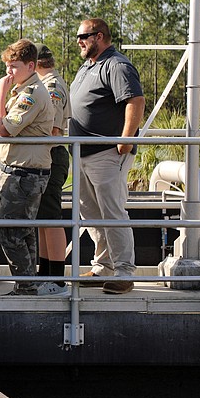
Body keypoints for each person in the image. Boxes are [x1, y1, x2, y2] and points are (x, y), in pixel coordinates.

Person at [69, 18, 145, 295]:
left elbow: (135, 100)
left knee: (112, 212)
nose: (79, 41)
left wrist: (125, 141)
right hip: (83, 153)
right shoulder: (88, 66)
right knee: (90, 213)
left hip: (106, 153)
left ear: (99, 36)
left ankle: (124, 272)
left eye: (83, 36)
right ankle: (103, 266)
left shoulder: (117, 65)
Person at [0, 40, 55, 295]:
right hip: (23, 170)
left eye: (14, 67)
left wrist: (0, 93)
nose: (9, 72)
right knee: (23, 231)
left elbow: (3, 129)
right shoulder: (24, 90)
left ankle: (26, 286)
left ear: (31, 66)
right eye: (7, 67)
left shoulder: (31, 94)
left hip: (24, 173)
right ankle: (27, 284)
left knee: (10, 233)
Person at [36, 46, 71, 292]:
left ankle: (57, 279)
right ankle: (45, 274)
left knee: (51, 218)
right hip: (45, 156)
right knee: (43, 219)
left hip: (51, 155)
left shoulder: (51, 87)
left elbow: (53, 129)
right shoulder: (46, 84)